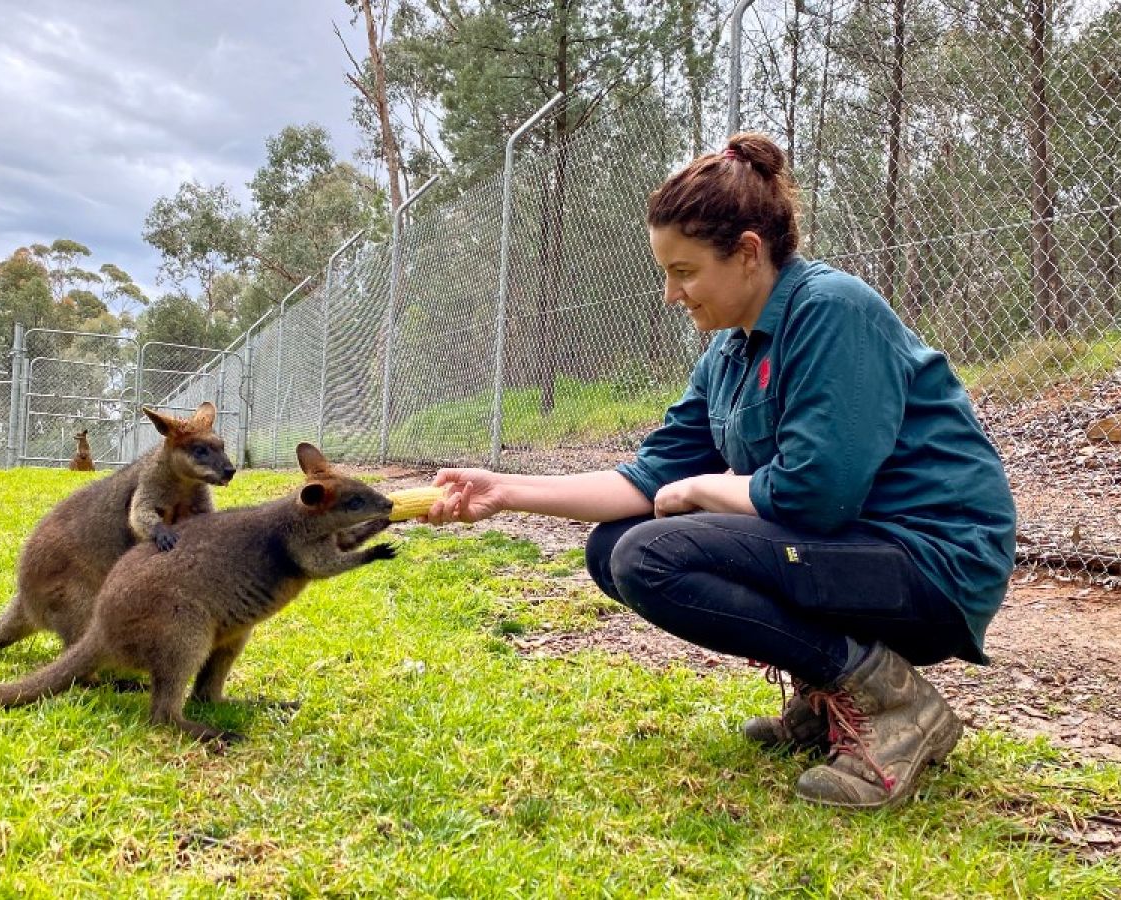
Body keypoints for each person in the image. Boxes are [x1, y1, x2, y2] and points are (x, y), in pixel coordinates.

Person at [422, 132, 1016, 810]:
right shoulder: (729, 355)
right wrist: (505, 493)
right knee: (614, 548)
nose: (672, 294)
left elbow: (817, 495)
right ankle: (827, 701)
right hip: (855, 554)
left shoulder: (831, 310)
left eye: (685, 271)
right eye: (666, 273)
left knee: (653, 555)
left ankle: (893, 704)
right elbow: (645, 481)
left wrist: (706, 488)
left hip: (934, 563)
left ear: (749, 253)